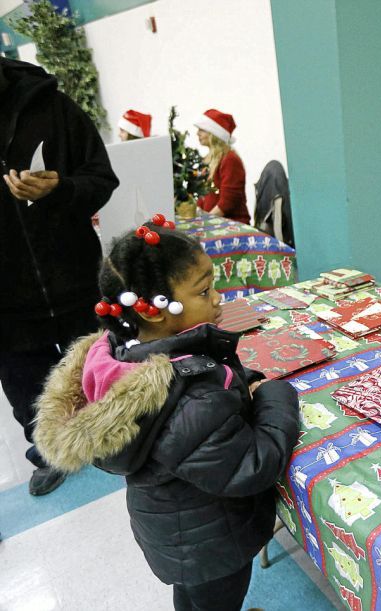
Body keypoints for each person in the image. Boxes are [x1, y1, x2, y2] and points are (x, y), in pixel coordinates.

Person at [32, 217, 300, 611]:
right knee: (216, 598)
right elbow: (254, 464)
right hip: (212, 542)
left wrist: (243, 384)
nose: (218, 297)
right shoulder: (188, 396)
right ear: (155, 312)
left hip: (175, 534)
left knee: (191, 595)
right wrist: (276, 394)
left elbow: (211, 380)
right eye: (205, 290)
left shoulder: (122, 356)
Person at [0, 57, 119, 496]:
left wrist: (61, 189)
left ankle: (111, 441)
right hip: (7, 303)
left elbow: (102, 177)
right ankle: (47, 454)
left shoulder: (54, 108)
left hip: (74, 281)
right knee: (25, 388)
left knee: (98, 368)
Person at [194, 109, 250, 224]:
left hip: (232, 224)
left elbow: (228, 202)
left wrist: (204, 222)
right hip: (215, 222)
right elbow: (201, 197)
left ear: (213, 134)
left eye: (202, 130)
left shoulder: (230, 159)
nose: (197, 133)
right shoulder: (206, 160)